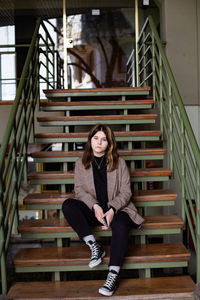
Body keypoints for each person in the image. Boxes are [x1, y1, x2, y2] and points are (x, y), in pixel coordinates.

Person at [62, 124, 144, 296]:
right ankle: (94, 247)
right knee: (68, 205)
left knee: (121, 223)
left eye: (104, 139)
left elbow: (126, 192)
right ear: (90, 140)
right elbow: (79, 191)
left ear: (109, 143)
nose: (99, 142)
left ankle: (112, 274)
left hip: (118, 209)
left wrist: (112, 208)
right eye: (96, 138)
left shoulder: (119, 163)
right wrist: (95, 206)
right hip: (95, 211)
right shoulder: (81, 163)